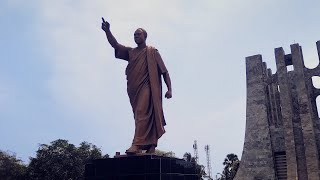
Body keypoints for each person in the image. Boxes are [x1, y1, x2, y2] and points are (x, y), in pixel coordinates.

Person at [101, 18, 172, 154]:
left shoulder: (152, 52)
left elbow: (164, 71)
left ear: (145, 36)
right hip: (134, 89)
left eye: (138, 34)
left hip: (148, 87)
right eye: (134, 35)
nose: (136, 36)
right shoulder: (131, 52)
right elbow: (115, 45)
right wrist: (107, 31)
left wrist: (169, 89)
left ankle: (136, 144)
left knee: (141, 112)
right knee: (140, 115)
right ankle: (151, 143)